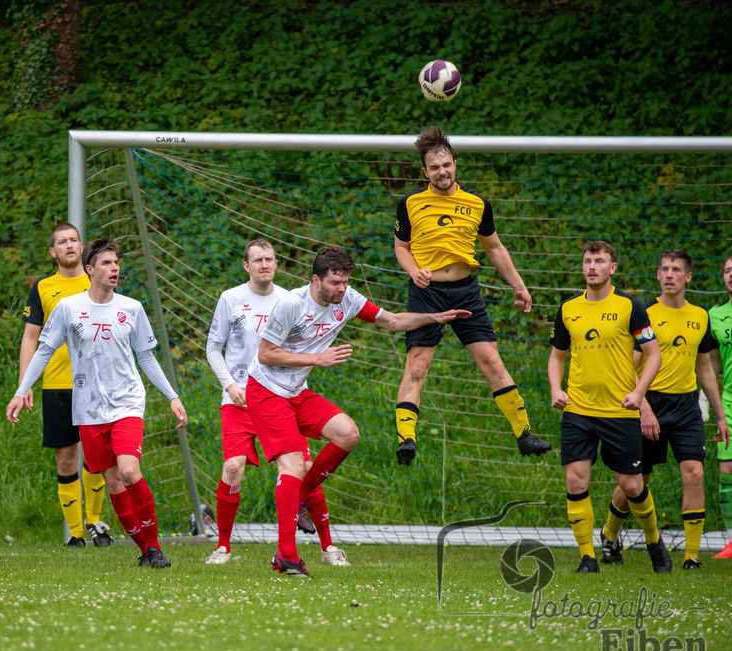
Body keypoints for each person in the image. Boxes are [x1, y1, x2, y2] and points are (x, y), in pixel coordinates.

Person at [247, 246, 470, 577]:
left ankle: (302, 497)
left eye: (345, 281)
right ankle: (286, 557)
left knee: (348, 434)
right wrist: (317, 359)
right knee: (293, 464)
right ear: (316, 280)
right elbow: (266, 355)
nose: (342, 289)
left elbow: (393, 322)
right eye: (335, 282)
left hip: (297, 392)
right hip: (266, 391)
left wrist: (434, 317)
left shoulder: (348, 299)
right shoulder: (291, 304)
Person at [7, 238, 188, 569]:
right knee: (113, 481)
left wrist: (172, 396)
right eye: (106, 263)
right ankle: (145, 550)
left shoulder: (131, 308)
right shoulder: (69, 308)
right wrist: (22, 390)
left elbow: (146, 358)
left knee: (130, 471)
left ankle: (155, 546)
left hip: (127, 402)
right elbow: (44, 350)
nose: (114, 267)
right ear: (90, 270)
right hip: (88, 409)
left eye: (116, 262)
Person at [393, 126, 551, 466]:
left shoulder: (478, 204)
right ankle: (406, 438)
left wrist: (519, 286)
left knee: (492, 362)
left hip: (465, 292)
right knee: (418, 366)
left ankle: (524, 436)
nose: (442, 172)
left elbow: (494, 247)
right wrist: (412, 270)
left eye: (446, 164)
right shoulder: (409, 204)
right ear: (425, 172)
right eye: (434, 168)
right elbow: (401, 247)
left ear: (455, 164)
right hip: (426, 293)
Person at [204, 239, 348, 567]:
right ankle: (223, 547)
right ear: (246, 266)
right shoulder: (230, 299)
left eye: (269, 259)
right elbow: (213, 347)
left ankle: (328, 547)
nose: (264, 264)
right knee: (232, 467)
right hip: (239, 398)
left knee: (303, 469)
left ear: (277, 264)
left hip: (283, 398)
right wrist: (229, 384)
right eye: (257, 260)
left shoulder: (293, 299)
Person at [547, 241, 670, 574]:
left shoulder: (631, 307)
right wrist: (556, 388)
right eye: (587, 261)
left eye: (599, 261)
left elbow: (653, 354)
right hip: (578, 411)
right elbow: (557, 356)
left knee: (631, 486)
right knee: (575, 482)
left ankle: (653, 542)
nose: (592, 267)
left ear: (612, 268)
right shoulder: (568, 309)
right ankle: (588, 558)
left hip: (619, 410)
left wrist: (639, 393)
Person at [601, 250, 729, 570]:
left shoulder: (701, 316)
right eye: (664, 269)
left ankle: (691, 556)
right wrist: (643, 407)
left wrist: (721, 415)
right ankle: (609, 534)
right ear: (657, 276)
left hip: (686, 406)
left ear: (688, 277)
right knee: (636, 480)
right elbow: (626, 367)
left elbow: (705, 369)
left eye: (676, 270)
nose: (669, 274)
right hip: (649, 402)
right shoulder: (642, 312)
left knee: (695, 473)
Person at [19, 222, 110, 548]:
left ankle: (96, 522)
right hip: (57, 384)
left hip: (97, 382)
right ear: (53, 251)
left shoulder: (98, 280)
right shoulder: (43, 287)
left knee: (97, 456)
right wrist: (23, 383)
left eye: (74, 240)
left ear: (82, 246)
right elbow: (30, 337)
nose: (69, 245)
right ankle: (75, 534)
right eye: (62, 241)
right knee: (66, 458)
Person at [709, 253, 732, 559]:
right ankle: (731, 541)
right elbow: (710, 369)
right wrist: (710, 407)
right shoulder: (714, 315)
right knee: (727, 473)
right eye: (728, 270)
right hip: (729, 404)